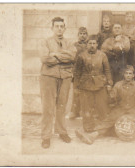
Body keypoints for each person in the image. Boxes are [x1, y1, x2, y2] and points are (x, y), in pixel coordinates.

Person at [38, 17, 76, 148]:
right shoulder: (45, 41)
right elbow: (45, 58)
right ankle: (46, 136)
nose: (59, 28)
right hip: (48, 77)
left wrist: (55, 54)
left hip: (65, 77)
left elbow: (72, 56)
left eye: (61, 26)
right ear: (52, 28)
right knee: (48, 107)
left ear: (64, 28)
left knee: (62, 106)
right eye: (56, 26)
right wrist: (63, 56)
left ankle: (61, 132)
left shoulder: (70, 42)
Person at [74, 35, 113, 133]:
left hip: (100, 84)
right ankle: (88, 128)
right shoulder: (81, 56)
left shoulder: (102, 55)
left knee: (103, 107)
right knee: (86, 108)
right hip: (85, 85)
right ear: (87, 45)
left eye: (94, 43)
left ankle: (104, 128)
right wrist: (76, 86)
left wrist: (109, 83)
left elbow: (107, 70)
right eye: (90, 43)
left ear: (97, 44)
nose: (92, 45)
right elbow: (77, 72)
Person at [69, 27, 88, 119]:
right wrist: (72, 71)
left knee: (86, 92)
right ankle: (74, 111)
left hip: (87, 72)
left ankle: (84, 111)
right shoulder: (74, 45)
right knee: (76, 92)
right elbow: (71, 59)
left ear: (87, 35)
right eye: (81, 33)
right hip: (77, 72)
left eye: (84, 34)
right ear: (78, 35)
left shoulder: (90, 45)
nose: (82, 35)